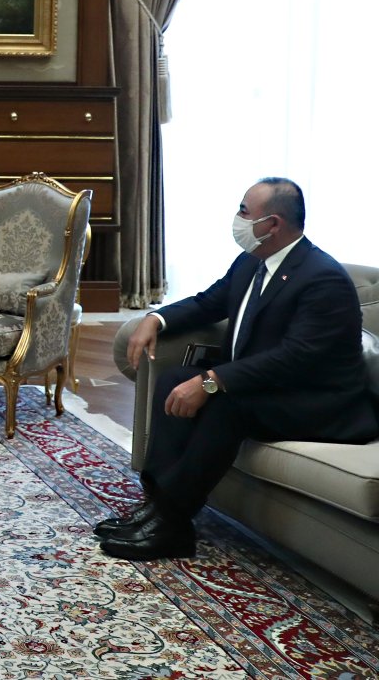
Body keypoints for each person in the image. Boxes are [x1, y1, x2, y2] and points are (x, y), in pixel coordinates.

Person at [99, 177, 378, 561]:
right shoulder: (253, 261)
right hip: (275, 388)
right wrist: (156, 318)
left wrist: (213, 381)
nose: (238, 218)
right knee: (174, 380)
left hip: (320, 403)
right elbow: (208, 303)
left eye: (245, 211)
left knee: (226, 405)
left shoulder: (322, 278)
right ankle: (158, 506)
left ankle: (172, 521)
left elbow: (295, 357)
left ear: (274, 224)